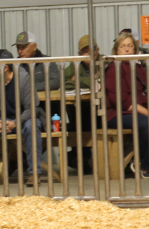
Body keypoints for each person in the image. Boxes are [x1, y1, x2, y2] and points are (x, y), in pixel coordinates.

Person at [0, 49, 44, 187]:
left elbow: (31, 108)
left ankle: (34, 173)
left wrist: (15, 123)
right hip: (1, 121)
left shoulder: (24, 78)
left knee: (32, 126)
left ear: (5, 68)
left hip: (23, 120)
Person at [105, 32, 149, 178]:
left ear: (135, 49)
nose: (127, 49)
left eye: (130, 46)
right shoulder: (113, 69)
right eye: (123, 46)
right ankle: (144, 165)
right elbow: (121, 101)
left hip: (137, 110)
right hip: (117, 113)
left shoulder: (139, 68)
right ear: (117, 50)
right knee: (146, 123)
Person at [64, 35, 101, 172]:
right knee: (77, 114)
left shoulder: (104, 63)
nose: (88, 54)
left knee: (82, 116)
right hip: (82, 108)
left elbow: (103, 82)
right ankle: (80, 157)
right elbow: (64, 81)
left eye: (91, 50)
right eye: (85, 51)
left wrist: (77, 80)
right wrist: (92, 80)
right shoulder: (74, 65)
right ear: (79, 54)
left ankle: (78, 156)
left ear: (97, 50)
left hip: (101, 109)